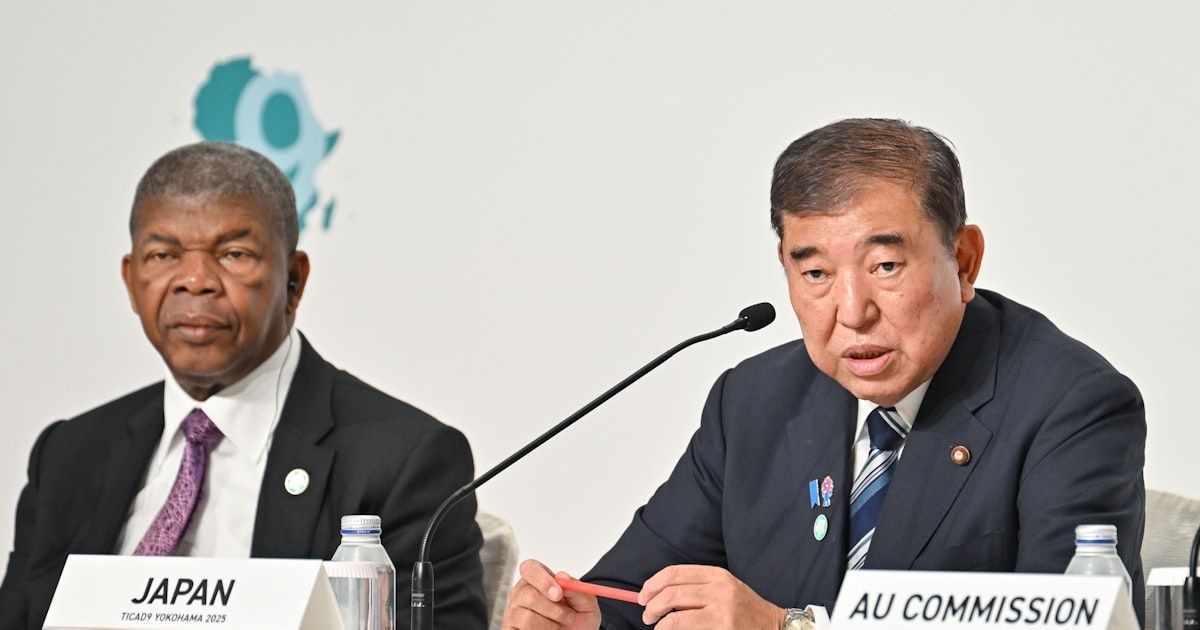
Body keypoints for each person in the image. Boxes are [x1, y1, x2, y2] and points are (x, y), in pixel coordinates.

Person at [502, 118, 1146, 630]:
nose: (852, 312)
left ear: (964, 259)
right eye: (815, 274)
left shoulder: (1073, 406)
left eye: (885, 266)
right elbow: (632, 595)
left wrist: (787, 628)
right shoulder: (753, 402)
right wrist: (583, 621)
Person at [0, 142, 487, 629]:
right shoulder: (69, 455)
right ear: (131, 281)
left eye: (233, 254)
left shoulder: (401, 461)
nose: (195, 281)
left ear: (293, 281)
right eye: (163, 254)